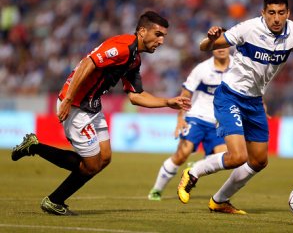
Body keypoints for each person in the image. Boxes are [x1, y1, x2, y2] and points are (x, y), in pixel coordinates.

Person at [11, 11, 191, 216]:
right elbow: (88, 62)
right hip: (76, 106)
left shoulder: (134, 59)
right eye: (158, 34)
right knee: (91, 164)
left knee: (104, 158)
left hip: (92, 106)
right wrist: (69, 99)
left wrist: (167, 102)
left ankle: (46, 176)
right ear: (142, 31)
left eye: (164, 37)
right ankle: (46, 179)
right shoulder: (122, 47)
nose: (161, 41)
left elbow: (136, 95)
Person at [177, 0, 293, 214]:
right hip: (229, 95)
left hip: (255, 101)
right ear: (263, 13)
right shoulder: (248, 28)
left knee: (259, 161)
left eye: (280, 13)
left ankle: (219, 201)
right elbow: (204, 47)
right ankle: (194, 171)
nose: (276, 18)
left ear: (288, 13)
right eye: (271, 13)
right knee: (238, 156)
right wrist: (210, 38)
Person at [148, 48, 233, 201]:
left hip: (219, 122)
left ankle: (193, 170)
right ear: (212, 48)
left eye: (224, 44)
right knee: (182, 154)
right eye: (217, 45)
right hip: (196, 117)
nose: (221, 48)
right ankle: (157, 190)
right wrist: (180, 118)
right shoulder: (202, 69)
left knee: (226, 157)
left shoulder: (237, 67)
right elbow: (185, 94)